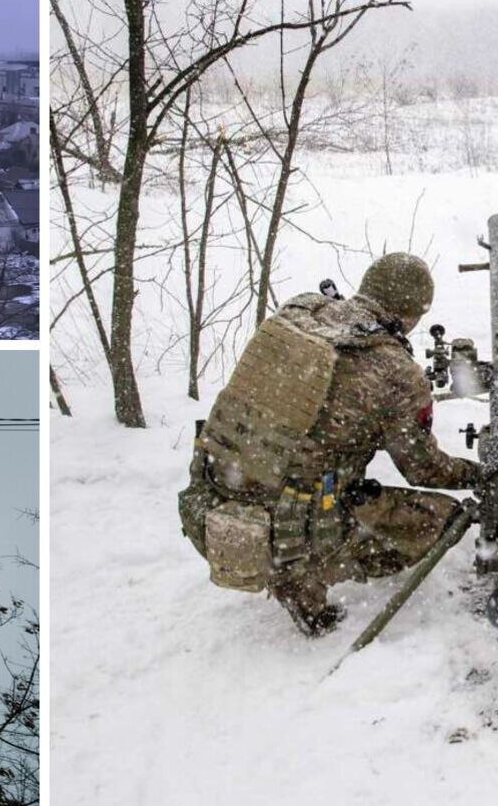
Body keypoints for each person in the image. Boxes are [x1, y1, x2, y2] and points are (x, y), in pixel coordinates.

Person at [179, 253, 479, 636]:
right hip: (291, 530)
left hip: (210, 504)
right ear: (413, 314)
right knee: (441, 518)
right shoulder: (397, 372)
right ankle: (304, 573)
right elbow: (423, 468)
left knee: (301, 476)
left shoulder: (301, 309)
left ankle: (291, 570)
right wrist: (478, 475)